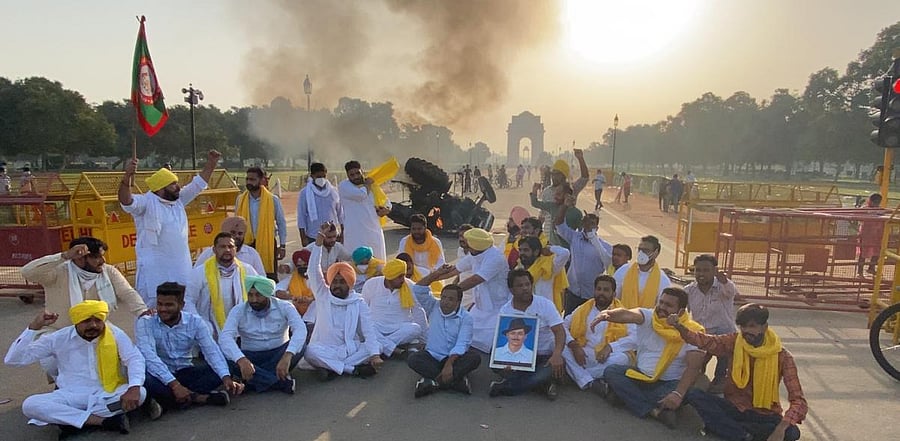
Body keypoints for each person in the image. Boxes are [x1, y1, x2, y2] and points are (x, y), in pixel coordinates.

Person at [5, 301, 146, 436]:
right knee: (30, 405)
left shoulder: (114, 334)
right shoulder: (59, 338)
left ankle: (71, 419)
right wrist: (34, 327)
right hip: (70, 395)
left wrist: (134, 387)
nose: (94, 325)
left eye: (98, 320)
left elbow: (134, 358)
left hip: (107, 393)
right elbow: (13, 360)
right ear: (76, 322)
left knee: (141, 393)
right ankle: (102, 421)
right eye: (86, 321)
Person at [671, 304, 807, 441]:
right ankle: (742, 435)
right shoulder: (735, 341)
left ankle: (730, 430)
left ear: (764, 327)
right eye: (743, 327)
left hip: (765, 414)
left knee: (792, 432)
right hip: (734, 407)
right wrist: (679, 327)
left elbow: (799, 401)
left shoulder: (783, 356)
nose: (746, 331)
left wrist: (781, 428)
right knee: (694, 394)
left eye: (752, 326)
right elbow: (706, 341)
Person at [119, 149, 221, 307]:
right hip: (155, 271)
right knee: (155, 310)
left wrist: (211, 163)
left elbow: (198, 184)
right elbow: (126, 201)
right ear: (161, 188)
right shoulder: (146, 203)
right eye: (173, 184)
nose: (178, 187)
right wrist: (126, 177)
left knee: (184, 306)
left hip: (181, 268)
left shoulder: (178, 201)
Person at [591, 287, 706, 428]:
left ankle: (624, 396)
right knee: (612, 371)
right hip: (641, 377)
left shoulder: (692, 331)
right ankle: (654, 411)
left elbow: (693, 368)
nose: (662, 308)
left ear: (681, 311)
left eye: (668, 305)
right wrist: (609, 314)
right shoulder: (649, 317)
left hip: (670, 383)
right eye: (661, 302)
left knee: (685, 393)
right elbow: (629, 314)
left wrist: (678, 393)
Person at [136, 282, 241, 412]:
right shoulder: (145, 322)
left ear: (181, 305)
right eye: (160, 304)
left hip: (185, 370)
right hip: (158, 375)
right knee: (145, 379)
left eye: (169, 305)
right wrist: (175, 385)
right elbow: (149, 356)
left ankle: (169, 401)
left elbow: (211, 351)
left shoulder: (195, 322)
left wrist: (225, 377)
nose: (162, 309)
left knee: (229, 367)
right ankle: (199, 398)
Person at [304, 224, 383, 379]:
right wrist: (319, 242)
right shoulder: (323, 295)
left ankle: (330, 368)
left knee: (376, 346)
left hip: (349, 349)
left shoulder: (358, 301)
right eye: (335, 281)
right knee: (309, 352)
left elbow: (368, 329)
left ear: (350, 283)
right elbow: (313, 269)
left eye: (342, 281)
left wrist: (374, 355)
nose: (337, 285)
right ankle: (351, 369)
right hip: (325, 348)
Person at [20, 237, 148, 333]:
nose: (102, 261)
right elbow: (27, 272)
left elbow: (127, 292)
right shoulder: (58, 272)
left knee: (125, 353)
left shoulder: (108, 271)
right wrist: (64, 256)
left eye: (102, 256)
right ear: (79, 258)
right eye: (97, 257)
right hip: (59, 331)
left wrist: (142, 312)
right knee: (52, 366)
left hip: (97, 329)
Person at [220, 275, 306, 394]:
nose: (254, 300)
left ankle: (253, 381)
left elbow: (300, 329)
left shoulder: (284, 306)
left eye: (258, 295)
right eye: (250, 295)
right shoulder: (238, 310)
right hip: (251, 357)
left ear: (267, 294)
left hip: (279, 355)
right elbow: (225, 337)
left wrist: (287, 356)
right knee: (226, 358)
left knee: (301, 346)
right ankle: (278, 382)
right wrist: (242, 360)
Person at [429, 228, 510, 353]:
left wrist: (452, 292)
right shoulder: (475, 254)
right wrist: (433, 277)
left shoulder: (495, 257)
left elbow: (476, 280)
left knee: (493, 340)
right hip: (480, 305)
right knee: (466, 333)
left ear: (475, 245)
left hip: (497, 306)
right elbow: (455, 269)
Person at [490, 270, 567, 400]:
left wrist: (557, 354)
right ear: (511, 289)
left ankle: (507, 387)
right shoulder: (505, 310)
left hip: (545, 356)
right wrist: (508, 362)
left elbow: (559, 331)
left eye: (527, 284)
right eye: (520, 286)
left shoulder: (545, 304)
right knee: (495, 359)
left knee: (548, 369)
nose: (525, 288)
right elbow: (503, 339)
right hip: (520, 356)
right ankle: (542, 385)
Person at [407, 273, 480, 397]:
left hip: (454, 359)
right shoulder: (433, 306)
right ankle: (455, 382)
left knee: (474, 358)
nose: (445, 302)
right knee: (413, 359)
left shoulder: (466, 318)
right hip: (432, 356)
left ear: (458, 302)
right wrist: (437, 273)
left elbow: (462, 344)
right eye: (444, 297)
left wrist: (449, 364)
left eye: (450, 299)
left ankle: (432, 382)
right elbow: (418, 289)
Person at [562, 275, 633, 391]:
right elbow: (563, 325)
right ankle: (593, 381)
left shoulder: (622, 313)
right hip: (584, 353)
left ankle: (580, 377)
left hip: (608, 357)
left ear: (614, 294)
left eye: (606, 290)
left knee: (623, 359)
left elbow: (634, 338)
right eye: (599, 289)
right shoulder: (583, 309)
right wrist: (574, 346)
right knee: (561, 347)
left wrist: (611, 347)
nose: (601, 293)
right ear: (594, 291)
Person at [185, 233, 258, 337]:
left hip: (242, 331)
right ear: (214, 250)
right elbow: (188, 300)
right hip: (210, 331)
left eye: (230, 246)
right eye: (222, 247)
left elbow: (262, 293)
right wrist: (200, 324)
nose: (227, 250)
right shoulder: (200, 273)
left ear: (236, 249)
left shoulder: (247, 270)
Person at [684, 254, 739, 393]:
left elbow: (732, 291)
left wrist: (725, 281)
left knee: (724, 351)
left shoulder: (725, 286)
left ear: (714, 271)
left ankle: (720, 379)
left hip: (723, 334)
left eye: (706, 270)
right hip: (702, 335)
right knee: (694, 363)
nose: (701, 274)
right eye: (698, 270)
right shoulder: (689, 290)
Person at [555, 197, 612, 314]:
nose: (589, 226)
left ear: (597, 227)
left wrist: (592, 236)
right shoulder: (575, 238)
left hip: (591, 296)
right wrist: (565, 206)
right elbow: (559, 224)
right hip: (573, 293)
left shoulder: (605, 246)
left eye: (592, 224)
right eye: (586, 223)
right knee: (568, 324)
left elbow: (608, 263)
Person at [361, 259, 426, 358]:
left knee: (415, 328)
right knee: (363, 325)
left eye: (403, 275)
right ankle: (394, 349)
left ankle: (381, 347)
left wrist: (425, 340)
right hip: (377, 327)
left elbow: (418, 312)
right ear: (389, 277)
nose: (402, 280)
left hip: (399, 328)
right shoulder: (371, 284)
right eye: (399, 277)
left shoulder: (410, 286)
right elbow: (363, 310)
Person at [235, 166, 287, 279]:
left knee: (269, 278)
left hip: (267, 243)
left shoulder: (272, 200)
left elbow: (281, 223)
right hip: (246, 244)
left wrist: (282, 246)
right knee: (246, 277)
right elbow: (236, 223)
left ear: (261, 180)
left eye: (253, 179)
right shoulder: (240, 199)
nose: (249, 182)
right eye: (247, 179)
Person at [339, 160, 390, 260]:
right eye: (352, 175)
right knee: (355, 266)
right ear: (347, 176)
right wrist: (367, 184)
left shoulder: (372, 187)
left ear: (362, 171)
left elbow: (387, 203)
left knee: (378, 266)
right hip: (355, 234)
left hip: (373, 233)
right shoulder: (344, 186)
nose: (356, 177)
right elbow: (361, 195)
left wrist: (386, 210)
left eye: (358, 173)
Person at [538, 149, 589, 246]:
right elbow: (542, 215)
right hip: (549, 237)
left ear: (564, 176)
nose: (554, 177)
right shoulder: (546, 192)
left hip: (567, 236)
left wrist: (580, 159)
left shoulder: (572, 189)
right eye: (553, 174)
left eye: (557, 174)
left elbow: (584, 178)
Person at [194, 216, 266, 275]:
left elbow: (262, 280)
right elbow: (195, 276)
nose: (236, 236)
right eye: (233, 232)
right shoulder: (209, 253)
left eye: (240, 233)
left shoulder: (252, 253)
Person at [614, 235, 671, 309]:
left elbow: (661, 308)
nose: (641, 253)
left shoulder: (662, 280)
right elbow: (614, 299)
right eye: (639, 249)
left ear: (656, 253)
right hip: (622, 318)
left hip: (647, 319)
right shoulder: (623, 271)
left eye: (646, 250)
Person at [516, 235, 570, 312]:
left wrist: (549, 248)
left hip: (545, 313)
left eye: (526, 250)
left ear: (536, 252)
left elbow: (565, 253)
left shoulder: (548, 266)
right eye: (520, 250)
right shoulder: (518, 269)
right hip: (526, 313)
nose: (522, 253)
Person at [297, 162, 343, 247]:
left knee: (333, 260)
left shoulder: (334, 192)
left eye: (323, 176)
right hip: (313, 236)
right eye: (318, 177)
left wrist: (342, 233)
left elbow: (341, 214)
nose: (321, 179)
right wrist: (303, 238)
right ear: (312, 176)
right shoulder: (305, 193)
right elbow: (301, 216)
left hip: (332, 236)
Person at [276, 249, 316, 332]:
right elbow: (277, 291)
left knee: (316, 303)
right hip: (297, 310)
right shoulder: (292, 277)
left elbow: (326, 293)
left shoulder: (319, 277)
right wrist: (293, 298)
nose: (302, 268)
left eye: (305, 265)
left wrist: (311, 299)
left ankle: (307, 325)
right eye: (299, 266)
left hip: (316, 315)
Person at [857, 193, 884, 277]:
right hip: (866, 234)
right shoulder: (865, 209)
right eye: (875, 202)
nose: (876, 204)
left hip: (876, 234)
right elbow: (858, 216)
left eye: (878, 202)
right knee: (863, 253)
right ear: (871, 201)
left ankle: (871, 268)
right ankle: (860, 272)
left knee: (877, 252)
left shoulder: (880, 210)